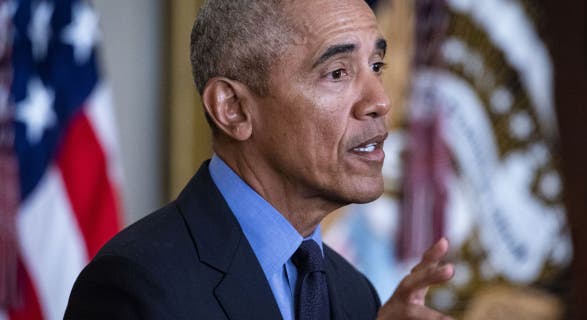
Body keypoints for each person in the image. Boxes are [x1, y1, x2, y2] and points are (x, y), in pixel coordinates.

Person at [64, 0, 454, 319]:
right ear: (233, 108)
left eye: (376, 67)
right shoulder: (133, 287)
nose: (380, 101)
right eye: (337, 72)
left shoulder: (355, 294)